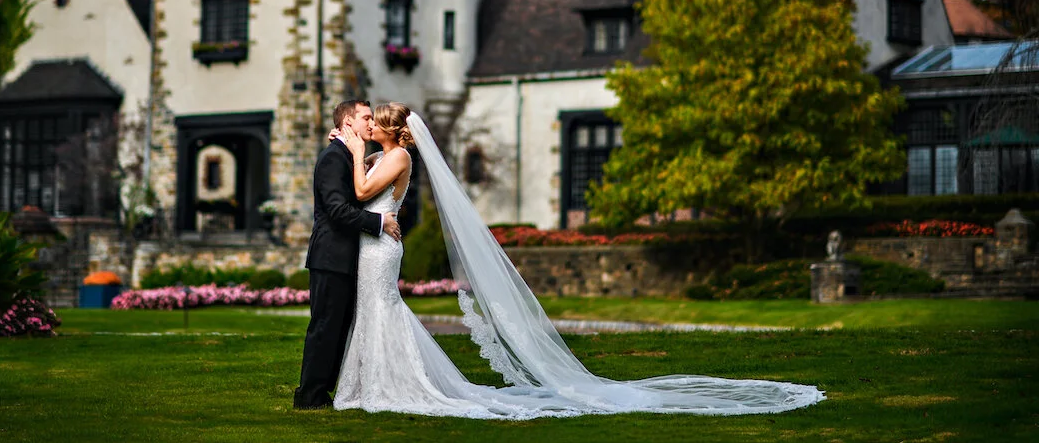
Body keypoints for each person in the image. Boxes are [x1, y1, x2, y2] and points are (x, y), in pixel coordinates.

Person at [329, 102, 826, 419]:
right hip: (375, 242)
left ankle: (397, 383)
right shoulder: (383, 155)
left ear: (389, 131)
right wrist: (351, 147)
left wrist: (353, 151)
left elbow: (358, 190)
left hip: (381, 248)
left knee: (383, 308)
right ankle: (372, 379)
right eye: (364, 122)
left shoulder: (392, 158)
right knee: (378, 310)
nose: (367, 126)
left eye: (373, 122)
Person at [293, 99, 402, 410]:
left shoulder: (351, 156)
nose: (370, 123)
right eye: (365, 118)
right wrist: (380, 221)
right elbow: (338, 211)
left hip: (347, 256)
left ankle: (322, 394)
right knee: (326, 326)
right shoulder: (333, 159)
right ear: (347, 123)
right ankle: (309, 396)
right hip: (330, 256)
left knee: (339, 328)